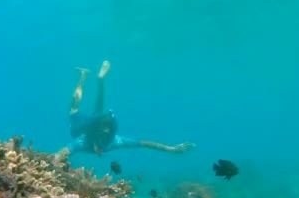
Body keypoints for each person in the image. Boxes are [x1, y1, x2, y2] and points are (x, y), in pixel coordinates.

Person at [53, 60, 195, 164]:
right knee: (81, 111)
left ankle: (90, 78)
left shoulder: (100, 141)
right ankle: (91, 78)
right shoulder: (105, 141)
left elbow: (143, 143)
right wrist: (170, 149)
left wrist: (171, 149)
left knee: (90, 110)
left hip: (95, 123)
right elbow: (143, 143)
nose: (101, 151)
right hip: (87, 124)